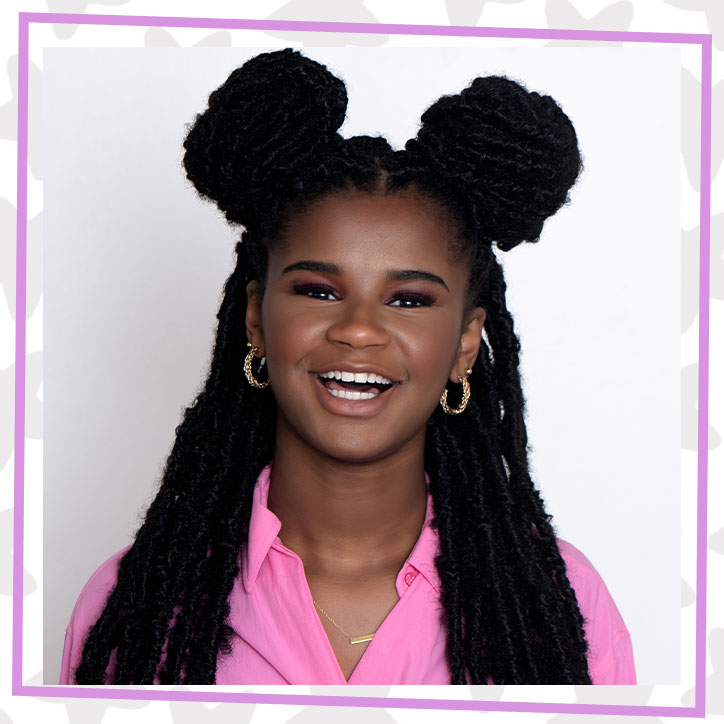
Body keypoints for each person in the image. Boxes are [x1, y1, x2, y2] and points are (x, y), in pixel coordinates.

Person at [59, 48, 635, 685]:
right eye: (317, 290)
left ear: (466, 343)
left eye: (410, 299)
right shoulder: (133, 604)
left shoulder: (559, 602)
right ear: (255, 317)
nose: (358, 328)